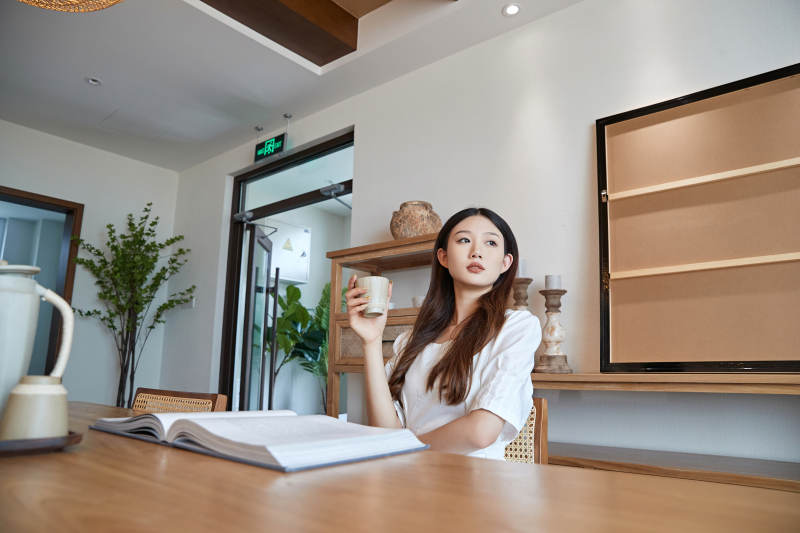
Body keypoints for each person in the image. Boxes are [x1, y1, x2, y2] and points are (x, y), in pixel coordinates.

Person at [345, 207, 542, 460]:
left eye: (490, 242)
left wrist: (403, 449)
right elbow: (384, 431)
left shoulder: (516, 327)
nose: (476, 252)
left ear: (506, 263)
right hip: (408, 480)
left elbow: (481, 432)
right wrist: (371, 342)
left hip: (476, 488)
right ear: (444, 257)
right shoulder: (411, 341)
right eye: (464, 240)